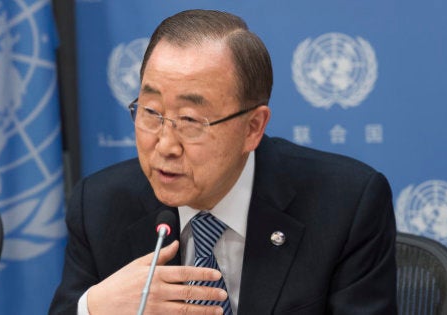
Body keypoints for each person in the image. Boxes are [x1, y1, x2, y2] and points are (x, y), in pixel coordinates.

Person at [50, 9, 397, 315]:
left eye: (190, 120)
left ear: (252, 128)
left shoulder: (345, 204)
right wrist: (94, 310)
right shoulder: (100, 204)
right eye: (151, 112)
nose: (166, 145)